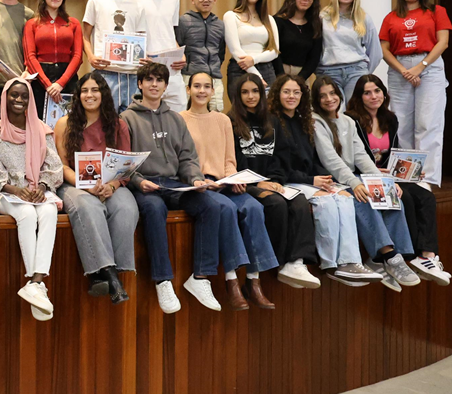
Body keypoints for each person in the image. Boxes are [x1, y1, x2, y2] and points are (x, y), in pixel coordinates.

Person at [123, 62, 248, 314]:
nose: (154, 84)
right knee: (154, 209)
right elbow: (122, 161)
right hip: (145, 186)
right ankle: (163, 280)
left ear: (166, 86)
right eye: (149, 80)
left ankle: (201, 277)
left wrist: (195, 180)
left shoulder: (174, 119)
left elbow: (188, 158)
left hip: (174, 184)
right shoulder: (126, 119)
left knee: (211, 206)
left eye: (159, 80)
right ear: (140, 84)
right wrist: (137, 181)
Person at [180, 72, 281, 309]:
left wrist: (232, 178)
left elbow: (229, 159)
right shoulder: (179, 119)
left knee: (254, 207)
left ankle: (254, 281)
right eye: (197, 86)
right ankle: (232, 280)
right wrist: (201, 179)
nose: (202, 91)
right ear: (188, 90)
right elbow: (181, 160)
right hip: (200, 186)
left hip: (223, 183)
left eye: (207, 86)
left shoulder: (222, 120)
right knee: (225, 209)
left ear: (213, 91)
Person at [311, 76, 421, 291]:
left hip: (353, 176)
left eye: (332, 93)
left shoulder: (347, 121)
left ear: (340, 95)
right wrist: (355, 182)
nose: (329, 99)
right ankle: (388, 254)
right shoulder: (316, 121)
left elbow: (361, 156)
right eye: (322, 95)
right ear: (316, 99)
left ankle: (393, 259)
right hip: (331, 179)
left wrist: (383, 180)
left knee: (387, 192)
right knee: (361, 197)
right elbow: (330, 160)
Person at [268, 73, 379, 285]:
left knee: (344, 196)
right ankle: (331, 264)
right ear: (277, 94)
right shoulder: (273, 122)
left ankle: (350, 262)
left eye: (296, 92)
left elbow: (312, 158)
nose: (292, 96)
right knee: (325, 201)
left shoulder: (303, 122)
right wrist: (312, 180)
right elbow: (279, 168)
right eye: (286, 91)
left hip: (307, 179)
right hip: (288, 181)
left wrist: (326, 179)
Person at [345, 75, 450, 284]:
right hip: (365, 175)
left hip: (387, 174)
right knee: (406, 200)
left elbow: (392, 153)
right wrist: (379, 172)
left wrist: (408, 170)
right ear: (359, 97)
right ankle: (402, 258)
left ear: (384, 93)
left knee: (426, 196)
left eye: (377, 91)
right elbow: (352, 158)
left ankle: (427, 256)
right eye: (367, 92)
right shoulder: (352, 120)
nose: (374, 96)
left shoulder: (389, 119)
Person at [222, 74, 322, 289]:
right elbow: (231, 162)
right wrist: (257, 184)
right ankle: (280, 261)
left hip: (271, 181)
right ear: (237, 96)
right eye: (245, 92)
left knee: (300, 202)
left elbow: (281, 157)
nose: (251, 96)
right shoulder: (229, 122)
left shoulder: (272, 121)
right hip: (243, 184)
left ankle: (297, 261)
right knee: (276, 204)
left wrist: (275, 180)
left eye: (255, 91)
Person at [54, 73, 138, 305]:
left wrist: (111, 186)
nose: (89, 95)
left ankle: (113, 272)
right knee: (87, 206)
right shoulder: (64, 123)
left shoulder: (118, 124)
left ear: (103, 94)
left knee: (126, 207)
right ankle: (110, 276)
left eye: (95, 90)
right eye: (84, 91)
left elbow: (125, 167)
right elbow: (60, 165)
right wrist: (87, 186)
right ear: (78, 95)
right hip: (74, 184)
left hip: (110, 184)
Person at [0, 78, 64, 319]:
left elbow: (54, 166)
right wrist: (15, 189)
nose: (19, 100)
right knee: (28, 214)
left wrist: (42, 185)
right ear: (5, 98)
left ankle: (36, 282)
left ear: (31, 100)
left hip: (35, 191)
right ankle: (37, 284)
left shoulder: (41, 129)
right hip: (3, 194)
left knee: (50, 211)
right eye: (14, 95)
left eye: (24, 96)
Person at [379, 0, 452, 186]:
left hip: (429, 67)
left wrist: (420, 67)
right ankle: (405, 176)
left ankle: (425, 179)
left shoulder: (435, 11)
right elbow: (384, 49)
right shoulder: (391, 17)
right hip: (400, 69)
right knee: (400, 124)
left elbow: (443, 42)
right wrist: (404, 70)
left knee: (427, 123)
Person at [83, 0, 144, 112]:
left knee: (130, 126)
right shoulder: (96, 1)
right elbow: (85, 36)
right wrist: (90, 56)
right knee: (104, 123)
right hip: (105, 72)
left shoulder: (138, 4)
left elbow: (141, 38)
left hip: (132, 75)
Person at [129, 0, 186, 110]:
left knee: (179, 115)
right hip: (145, 65)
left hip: (171, 66)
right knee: (146, 116)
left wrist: (180, 53)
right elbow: (129, 35)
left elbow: (169, 31)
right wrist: (140, 54)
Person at [23, 0, 83, 113]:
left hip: (67, 77)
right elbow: (30, 57)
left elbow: (77, 56)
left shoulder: (73, 23)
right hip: (41, 78)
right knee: (40, 122)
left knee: (70, 121)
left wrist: (60, 83)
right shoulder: (32, 24)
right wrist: (48, 84)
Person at [317, 0, 380, 102]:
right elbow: (316, 47)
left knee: (354, 112)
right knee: (335, 112)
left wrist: (365, 72)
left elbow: (375, 51)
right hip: (329, 71)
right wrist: (319, 71)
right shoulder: (323, 17)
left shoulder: (363, 18)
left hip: (356, 71)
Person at [223, 0, 280, 88]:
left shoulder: (269, 19)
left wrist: (254, 59)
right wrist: (257, 76)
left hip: (267, 69)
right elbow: (236, 51)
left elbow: (275, 50)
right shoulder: (231, 16)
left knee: (269, 106)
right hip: (240, 69)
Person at [177, 0, 226, 111]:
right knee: (188, 115)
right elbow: (178, 47)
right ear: (192, 0)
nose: (206, 0)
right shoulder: (183, 21)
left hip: (214, 77)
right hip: (189, 76)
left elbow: (221, 52)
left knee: (216, 113)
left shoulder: (220, 25)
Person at [274, 0, 323, 80]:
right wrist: (282, 78)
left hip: (302, 76)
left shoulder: (315, 25)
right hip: (278, 73)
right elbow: (274, 51)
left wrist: (300, 79)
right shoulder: (278, 21)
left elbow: (314, 58)